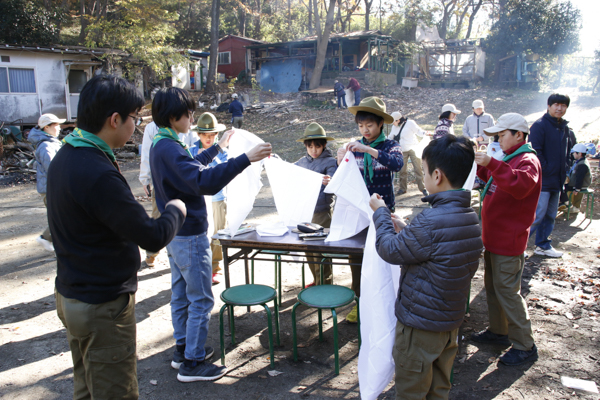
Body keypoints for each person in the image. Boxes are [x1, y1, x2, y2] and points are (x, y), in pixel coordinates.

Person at [47, 75, 186, 399]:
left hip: (71, 296)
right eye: (134, 119)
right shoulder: (97, 173)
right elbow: (151, 236)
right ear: (114, 120)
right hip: (101, 307)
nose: (136, 127)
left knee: (87, 389)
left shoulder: (67, 156)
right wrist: (175, 209)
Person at [149, 91, 272, 382]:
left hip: (175, 235)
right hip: (190, 236)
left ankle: (183, 351)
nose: (192, 119)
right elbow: (203, 180)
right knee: (202, 299)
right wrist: (245, 158)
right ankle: (193, 363)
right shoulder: (169, 148)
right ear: (172, 117)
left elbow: (190, 166)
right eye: (188, 114)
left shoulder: (162, 144)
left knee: (181, 296)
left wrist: (218, 148)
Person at [370, 134, 483, 400]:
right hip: (449, 324)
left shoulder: (431, 220)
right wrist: (408, 229)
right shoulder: (470, 217)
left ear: (437, 175)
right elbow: (441, 253)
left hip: (421, 327)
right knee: (438, 389)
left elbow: (389, 249)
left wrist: (381, 214)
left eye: (423, 171)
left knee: (412, 390)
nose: (424, 177)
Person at [471, 113, 541, 366]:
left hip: (509, 242)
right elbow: (493, 180)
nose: (498, 140)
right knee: (493, 288)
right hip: (493, 239)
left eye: (502, 135)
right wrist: (482, 163)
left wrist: (493, 162)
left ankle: (525, 345)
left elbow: (520, 185)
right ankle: (498, 331)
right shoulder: (510, 157)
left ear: (519, 135)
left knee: (509, 293)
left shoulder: (527, 160)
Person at [336, 96, 403, 323]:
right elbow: (347, 178)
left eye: (370, 125)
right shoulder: (354, 146)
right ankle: (360, 301)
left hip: (384, 213)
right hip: (358, 213)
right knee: (356, 258)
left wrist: (368, 150)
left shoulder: (390, 145)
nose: (365, 130)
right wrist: (340, 161)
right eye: (360, 126)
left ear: (381, 124)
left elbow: (397, 164)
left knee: (383, 257)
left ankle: (385, 303)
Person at [139, 121, 196, 267]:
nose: (189, 119)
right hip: (161, 180)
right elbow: (146, 152)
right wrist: (145, 177)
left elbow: (193, 148)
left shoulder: (186, 125)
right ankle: (152, 252)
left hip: (182, 180)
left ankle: (177, 256)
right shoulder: (152, 128)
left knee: (181, 217)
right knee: (159, 214)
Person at [294, 123, 338, 286]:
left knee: (321, 250)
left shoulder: (330, 162)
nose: (313, 150)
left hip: (322, 213)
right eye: (310, 146)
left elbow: (334, 180)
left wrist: (329, 182)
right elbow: (289, 171)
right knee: (309, 250)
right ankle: (316, 280)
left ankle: (325, 284)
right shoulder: (302, 162)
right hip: (305, 212)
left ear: (324, 145)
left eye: (317, 146)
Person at [528, 93, 571, 258]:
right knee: (537, 215)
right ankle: (518, 246)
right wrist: (546, 169)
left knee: (551, 215)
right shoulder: (539, 125)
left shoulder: (564, 127)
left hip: (558, 180)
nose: (560, 108)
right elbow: (535, 151)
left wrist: (565, 168)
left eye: (563, 105)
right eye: (556, 105)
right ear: (549, 106)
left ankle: (543, 245)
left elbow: (567, 152)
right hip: (543, 180)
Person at [189, 117, 230, 285]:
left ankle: (215, 268)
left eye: (212, 135)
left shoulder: (224, 151)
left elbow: (225, 170)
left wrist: (212, 156)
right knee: (200, 235)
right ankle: (198, 269)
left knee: (218, 232)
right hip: (198, 199)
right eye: (204, 134)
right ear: (198, 134)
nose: (208, 138)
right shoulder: (191, 151)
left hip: (218, 197)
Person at [29, 113, 65, 252]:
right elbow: (52, 168)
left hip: (52, 187)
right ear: (47, 127)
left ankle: (47, 239)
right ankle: (54, 244)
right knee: (61, 217)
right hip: (51, 188)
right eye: (56, 125)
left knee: (61, 217)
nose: (59, 128)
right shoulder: (45, 146)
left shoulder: (51, 143)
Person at [387, 111, 429, 196]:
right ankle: (403, 188)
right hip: (402, 149)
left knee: (418, 169)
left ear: (398, 120)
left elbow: (418, 131)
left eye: (394, 121)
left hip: (413, 148)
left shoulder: (410, 123)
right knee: (402, 170)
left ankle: (423, 188)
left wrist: (425, 133)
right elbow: (391, 137)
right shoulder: (394, 127)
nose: (393, 124)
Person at [559, 143, 592, 214]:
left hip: (580, 185)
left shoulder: (582, 164)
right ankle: (566, 203)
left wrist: (577, 188)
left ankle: (567, 203)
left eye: (574, 153)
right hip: (576, 184)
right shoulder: (579, 162)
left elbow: (580, 178)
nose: (573, 154)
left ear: (580, 153)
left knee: (564, 188)